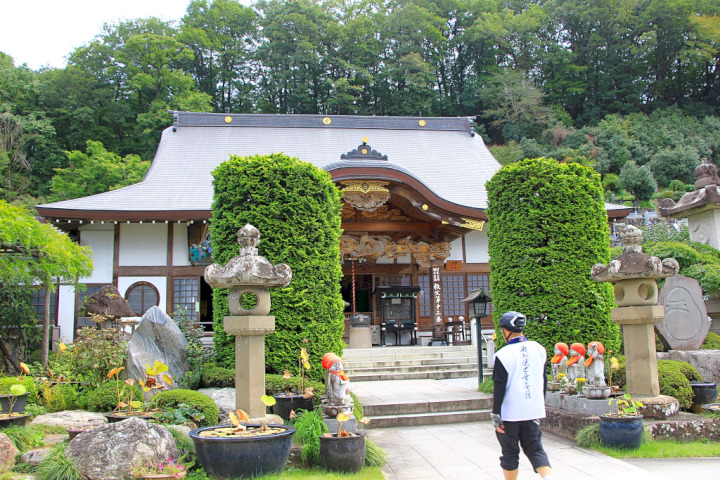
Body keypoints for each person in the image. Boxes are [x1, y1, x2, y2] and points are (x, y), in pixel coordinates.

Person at [492, 311, 553, 480]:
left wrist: (496, 414)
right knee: (535, 448)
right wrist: (540, 404)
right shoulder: (539, 349)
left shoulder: (502, 355)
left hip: (510, 413)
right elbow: (543, 380)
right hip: (532, 410)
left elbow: (499, 387)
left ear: (506, 331)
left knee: (510, 453)